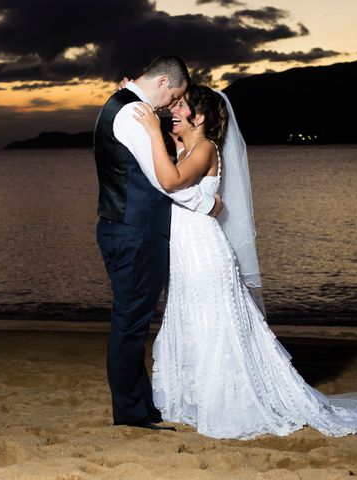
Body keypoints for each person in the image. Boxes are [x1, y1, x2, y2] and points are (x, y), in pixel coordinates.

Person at [133, 84, 357, 439]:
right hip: (185, 255)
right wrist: (139, 98)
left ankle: (227, 402)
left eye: (181, 105)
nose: (172, 110)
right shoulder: (184, 146)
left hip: (205, 254)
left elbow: (169, 181)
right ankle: (193, 399)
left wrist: (154, 131)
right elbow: (160, 168)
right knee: (190, 319)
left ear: (198, 117)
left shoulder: (204, 149)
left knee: (216, 325)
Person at [93, 56, 223, 430]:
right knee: (130, 325)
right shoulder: (134, 113)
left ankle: (141, 407)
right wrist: (208, 203)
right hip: (135, 232)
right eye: (176, 95)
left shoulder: (123, 106)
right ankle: (132, 415)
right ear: (165, 81)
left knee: (131, 322)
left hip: (126, 228)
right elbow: (164, 181)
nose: (171, 107)